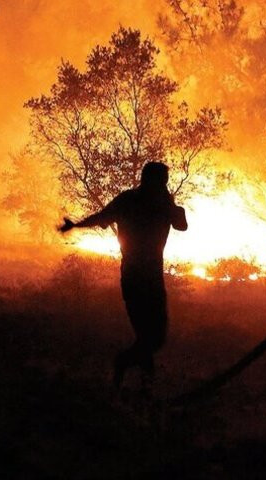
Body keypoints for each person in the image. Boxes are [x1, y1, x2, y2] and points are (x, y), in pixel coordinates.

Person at [58, 161, 188, 394]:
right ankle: (129, 371)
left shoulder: (145, 202)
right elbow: (103, 216)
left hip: (146, 279)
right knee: (151, 338)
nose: (162, 185)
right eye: (161, 181)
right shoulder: (140, 202)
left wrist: (76, 225)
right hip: (138, 279)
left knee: (151, 337)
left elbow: (181, 225)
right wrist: (76, 225)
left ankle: (142, 383)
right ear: (153, 181)